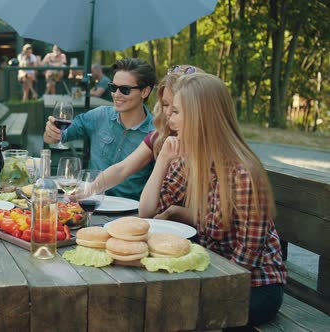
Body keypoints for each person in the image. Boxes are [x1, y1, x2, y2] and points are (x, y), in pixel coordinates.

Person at [139, 73, 286, 327]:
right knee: (150, 305)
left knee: (172, 314)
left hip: (254, 285)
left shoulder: (242, 172)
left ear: (199, 117)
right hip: (212, 271)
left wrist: (209, 290)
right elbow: (150, 214)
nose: (168, 119)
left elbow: (248, 255)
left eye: (175, 112)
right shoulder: (188, 157)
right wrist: (162, 160)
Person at [43, 58, 157, 200]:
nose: (116, 94)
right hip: (91, 202)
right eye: (113, 87)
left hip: (129, 211)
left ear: (145, 92)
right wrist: (50, 132)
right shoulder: (99, 115)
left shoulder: (155, 132)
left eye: (125, 90)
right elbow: (54, 138)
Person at [97, 65, 202, 192]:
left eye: (175, 107)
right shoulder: (160, 136)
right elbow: (121, 170)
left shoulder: (211, 145)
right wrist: (87, 190)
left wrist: (183, 212)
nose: (168, 112)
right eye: (165, 104)